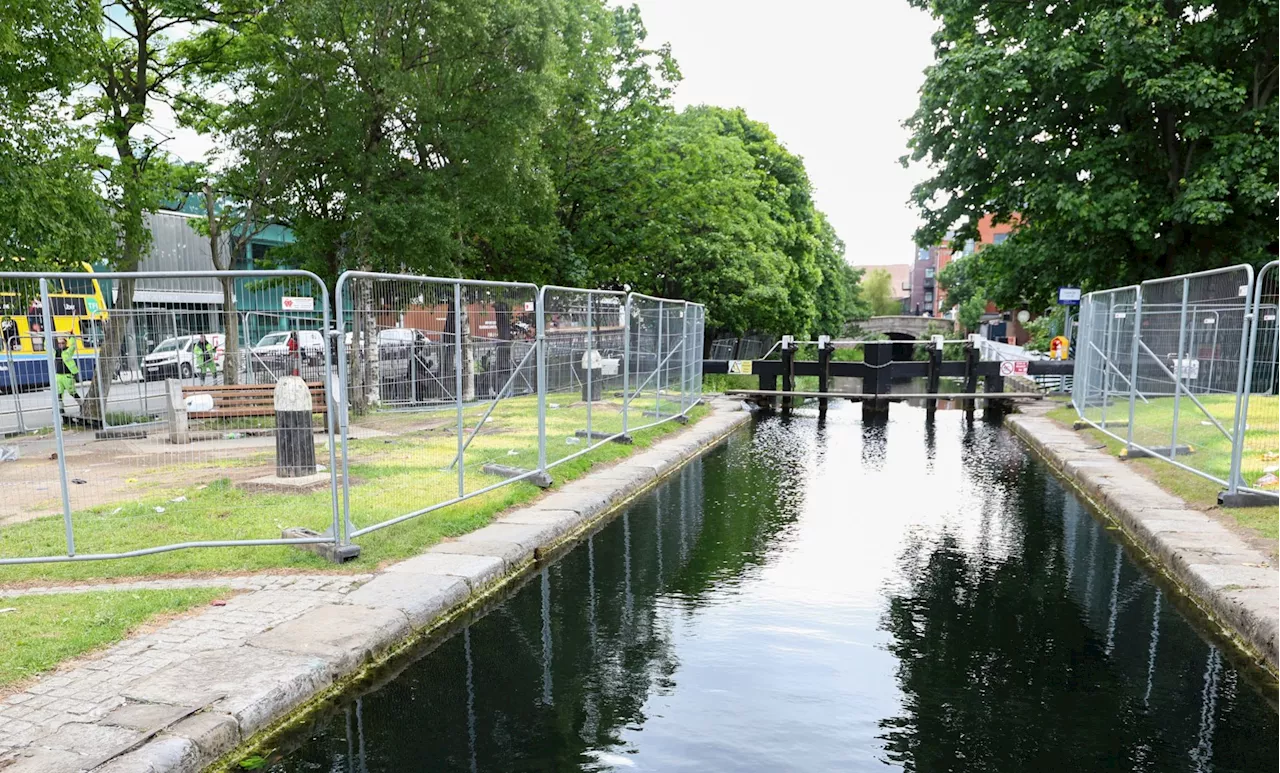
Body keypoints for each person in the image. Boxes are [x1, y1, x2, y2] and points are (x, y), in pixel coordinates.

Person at [54, 335, 80, 414]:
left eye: (62, 343)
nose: (61, 344)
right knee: (59, 393)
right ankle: (61, 408)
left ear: (65, 343)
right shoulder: (55, 352)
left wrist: (71, 337)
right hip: (58, 375)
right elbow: (46, 347)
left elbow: (73, 346)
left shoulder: (68, 351)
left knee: (72, 392)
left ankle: (82, 404)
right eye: (59, 343)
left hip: (67, 375)